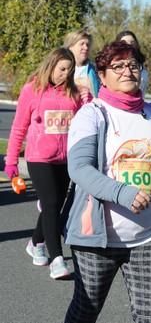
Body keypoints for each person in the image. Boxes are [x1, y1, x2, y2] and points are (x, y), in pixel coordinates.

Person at [63, 41, 151, 323]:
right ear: (101, 75)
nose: (127, 71)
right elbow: (79, 168)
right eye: (118, 66)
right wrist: (123, 193)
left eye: (133, 64)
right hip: (98, 239)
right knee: (85, 310)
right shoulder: (92, 114)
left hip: (150, 234)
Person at [4, 47, 83, 279]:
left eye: (69, 70)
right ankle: (57, 259)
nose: (65, 74)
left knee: (56, 205)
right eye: (62, 69)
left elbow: (83, 126)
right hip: (39, 158)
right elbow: (18, 128)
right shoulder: (32, 90)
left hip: (65, 159)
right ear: (51, 66)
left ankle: (35, 242)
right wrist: (11, 163)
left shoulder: (74, 94)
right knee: (50, 202)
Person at [63, 28, 100, 101]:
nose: (86, 47)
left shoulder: (95, 70)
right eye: (82, 44)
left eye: (87, 45)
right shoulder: (62, 69)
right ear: (71, 47)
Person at [116, 30, 150, 95]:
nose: (129, 45)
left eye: (132, 43)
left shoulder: (142, 67)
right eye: (124, 43)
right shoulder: (114, 67)